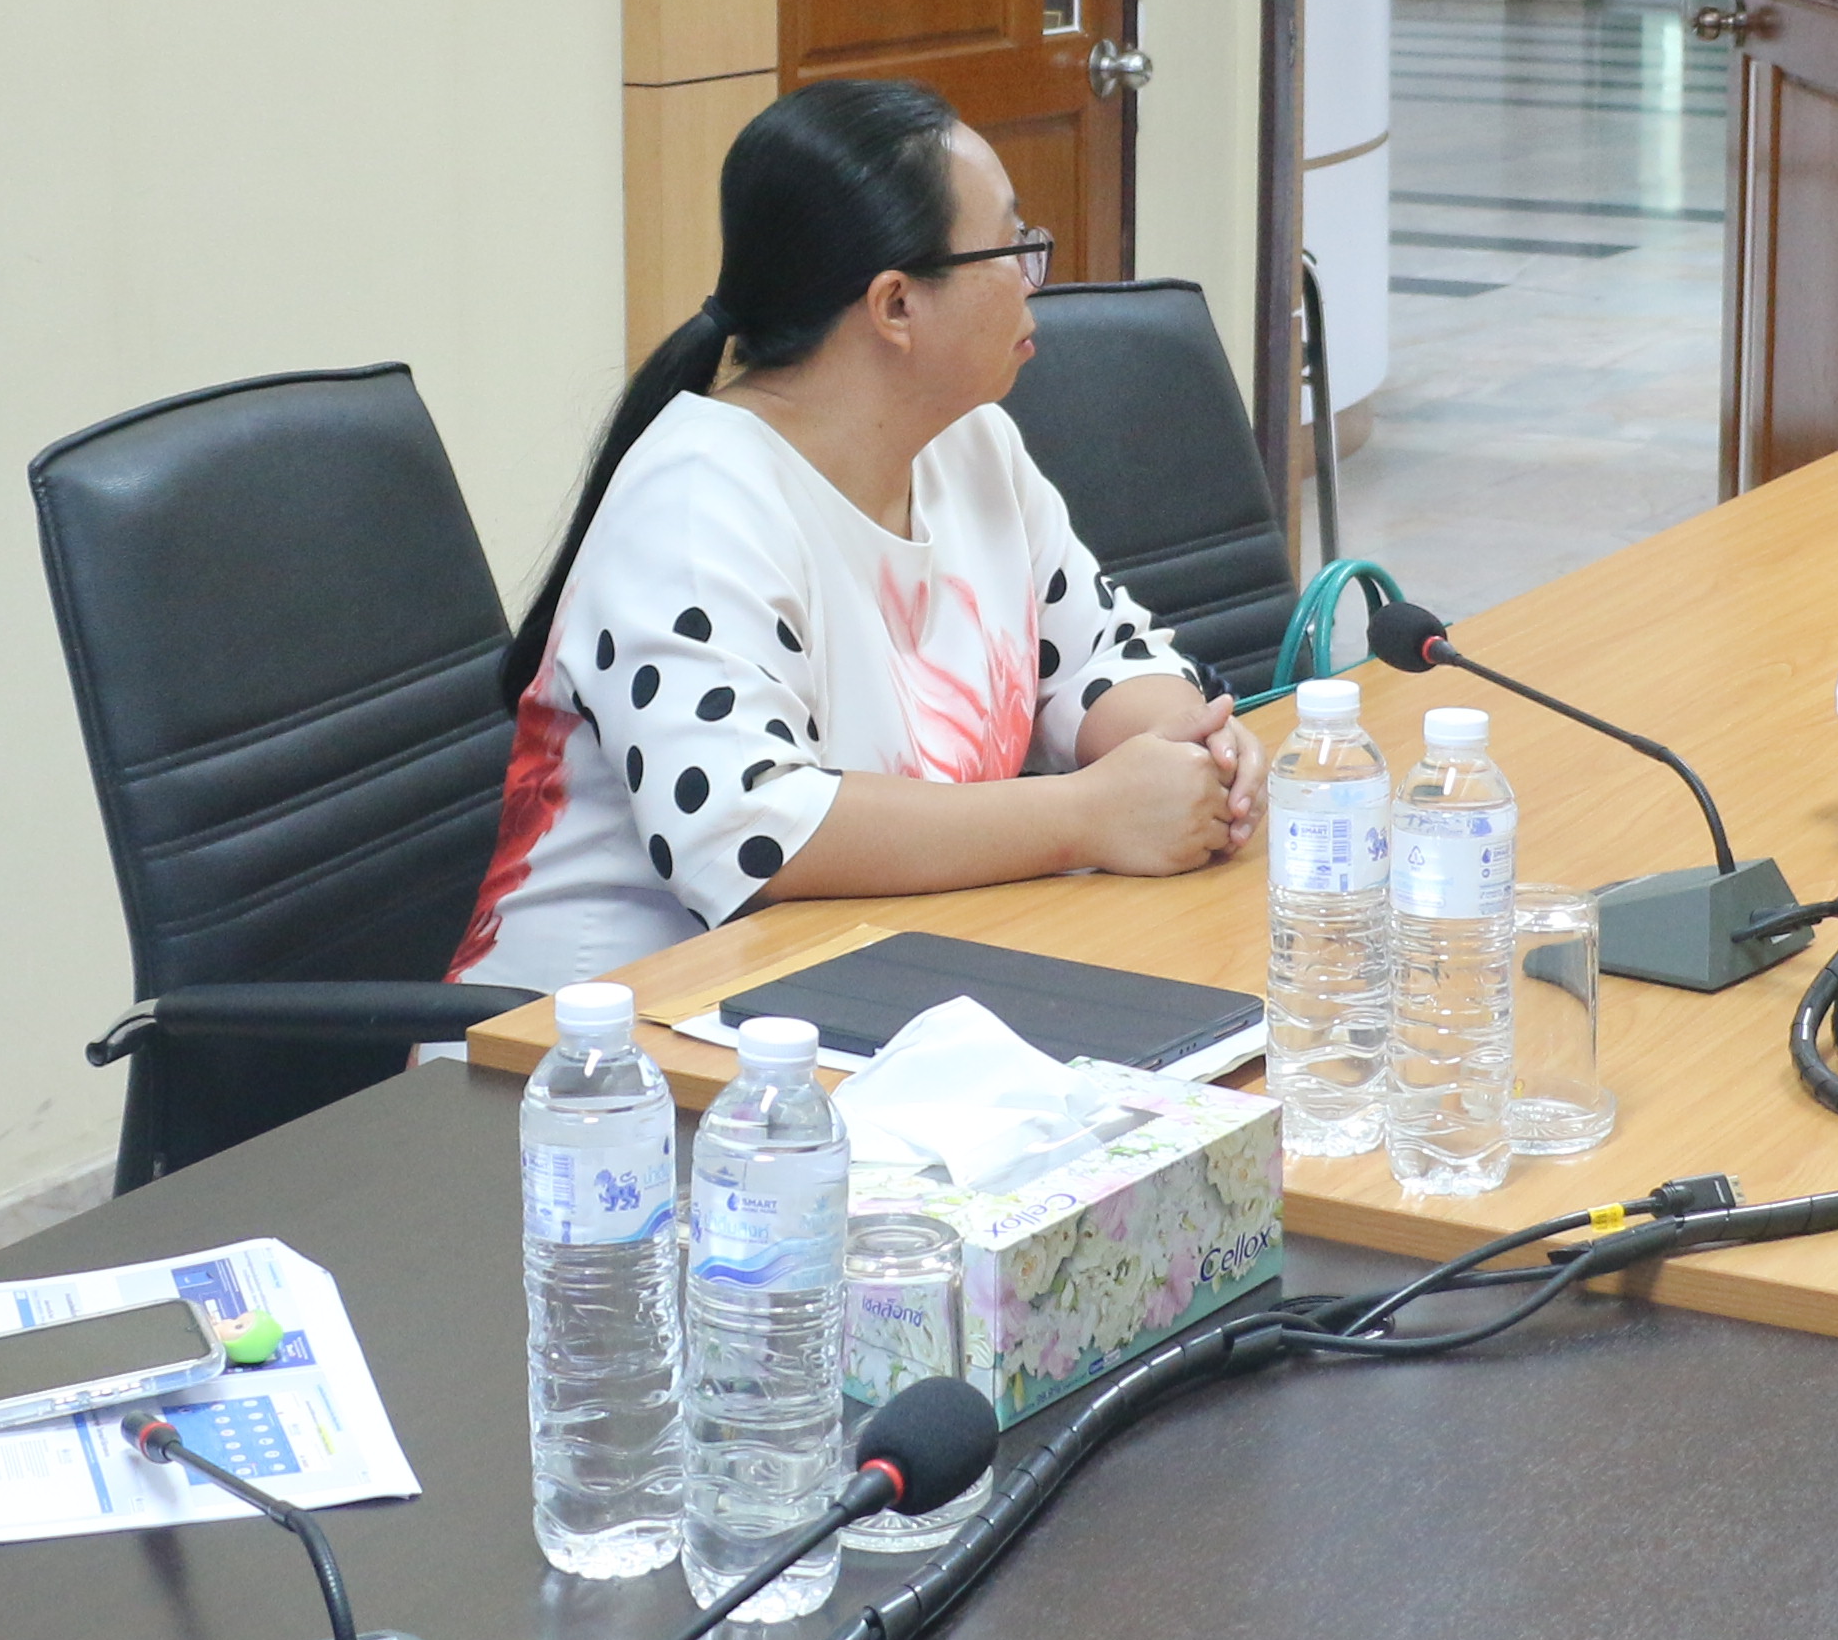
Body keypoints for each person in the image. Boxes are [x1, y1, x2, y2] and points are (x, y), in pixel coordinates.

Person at [454, 79, 1258, 994]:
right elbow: (744, 827)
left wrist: (1187, 749)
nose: (1034, 274)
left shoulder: (970, 444)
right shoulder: (696, 501)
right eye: (1011, 246)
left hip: (858, 987)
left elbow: (1094, 655)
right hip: (608, 1036)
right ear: (896, 306)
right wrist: (1088, 814)